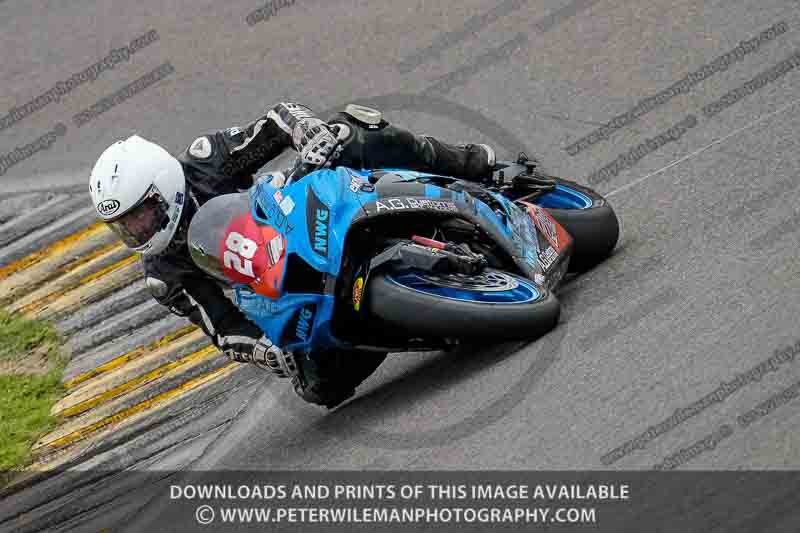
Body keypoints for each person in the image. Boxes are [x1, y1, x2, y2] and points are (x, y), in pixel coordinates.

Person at [89, 102, 496, 408]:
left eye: (141, 215)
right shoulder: (164, 274)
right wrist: (265, 351)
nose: (137, 230)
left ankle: (470, 164)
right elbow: (223, 327)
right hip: (284, 284)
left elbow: (278, 120)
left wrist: (310, 134)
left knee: (354, 131)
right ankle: (415, 323)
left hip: (303, 213)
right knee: (320, 388)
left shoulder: (206, 161)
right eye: (125, 225)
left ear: (163, 186)